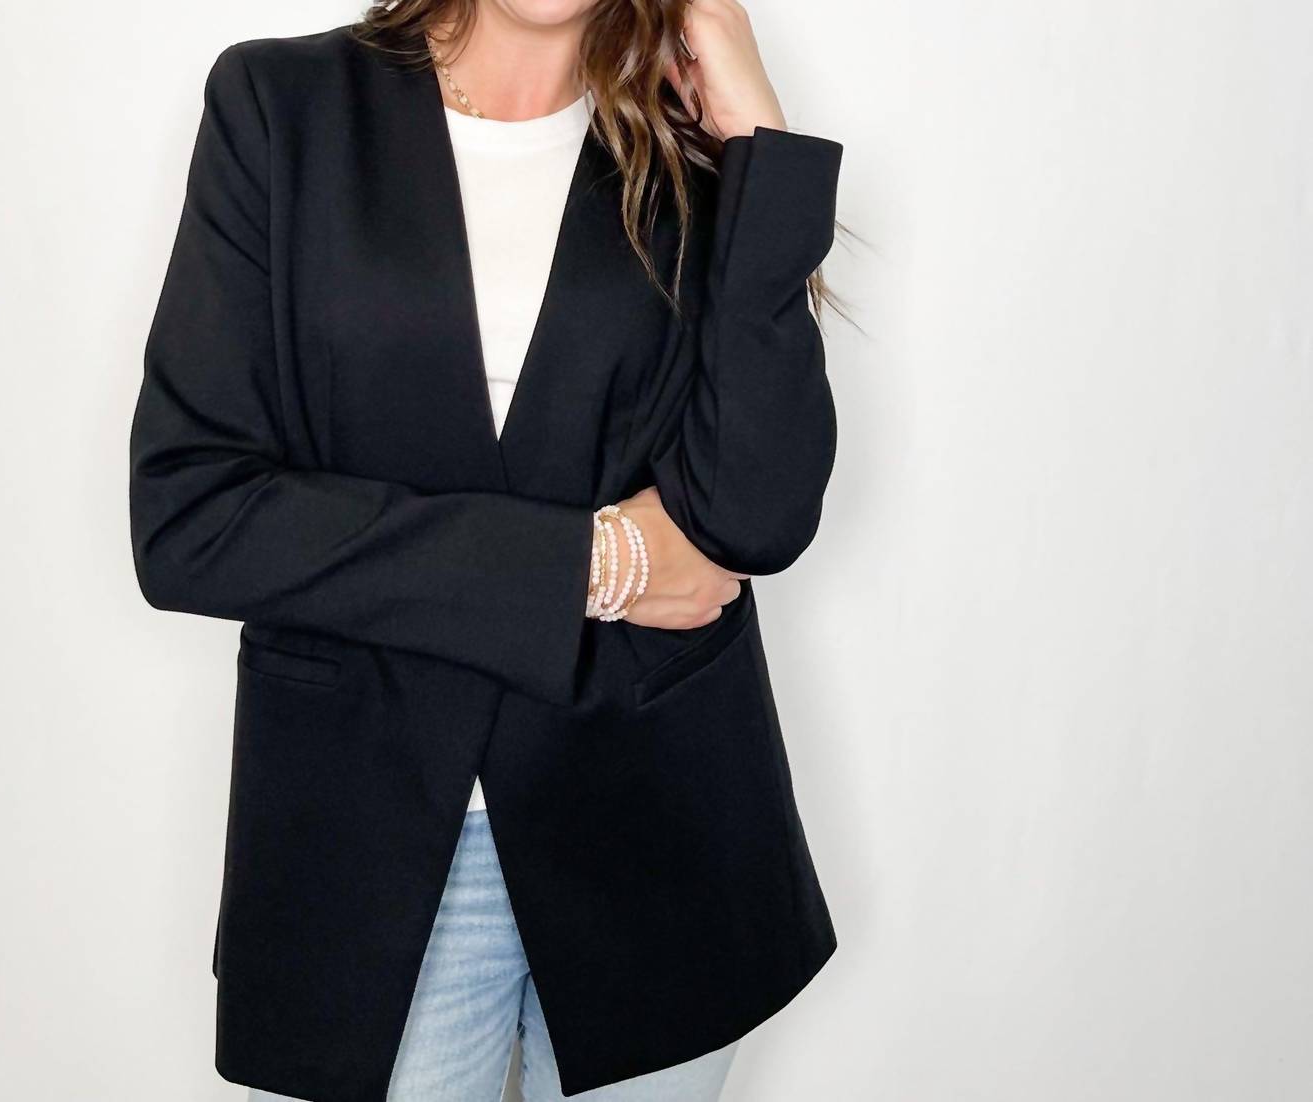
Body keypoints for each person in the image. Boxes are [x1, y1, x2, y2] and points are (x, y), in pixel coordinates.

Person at [129, 2, 844, 1099]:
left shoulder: (688, 146)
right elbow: (192, 517)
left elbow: (756, 518)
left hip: (660, 830)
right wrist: (588, 564)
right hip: (370, 838)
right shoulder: (283, 107)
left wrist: (757, 140)